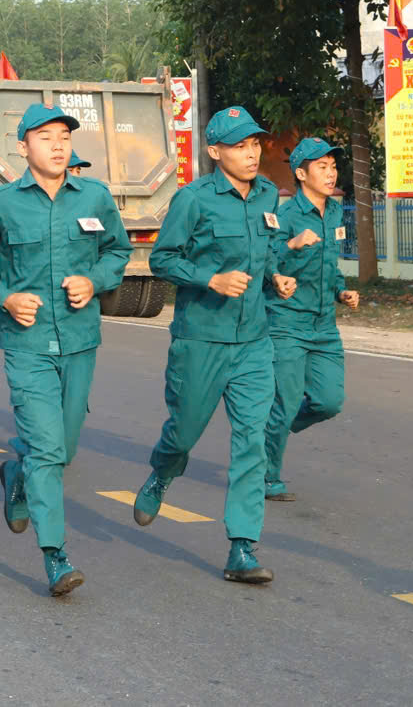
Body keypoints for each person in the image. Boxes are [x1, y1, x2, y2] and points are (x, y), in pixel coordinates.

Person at [0, 103, 131, 596]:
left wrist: (93, 280)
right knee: (49, 450)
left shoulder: (94, 197)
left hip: (80, 340)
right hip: (27, 343)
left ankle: (17, 473)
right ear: (23, 146)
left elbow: (117, 251)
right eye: (45, 136)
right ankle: (56, 555)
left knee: (63, 449)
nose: (57, 145)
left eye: (64, 137)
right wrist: (6, 297)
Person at [131, 106, 298, 585]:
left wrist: (276, 276)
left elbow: (266, 251)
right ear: (214, 151)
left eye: (254, 144)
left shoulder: (268, 193)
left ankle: (242, 546)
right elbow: (163, 260)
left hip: (254, 342)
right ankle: (163, 472)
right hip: (201, 338)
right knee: (184, 434)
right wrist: (211, 279)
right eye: (239, 146)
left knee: (251, 443)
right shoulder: (193, 199)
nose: (251, 153)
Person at [263, 137, 359, 502]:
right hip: (287, 322)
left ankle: (271, 431)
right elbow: (264, 258)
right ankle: (268, 477)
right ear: (302, 174)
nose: (331, 174)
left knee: (329, 401)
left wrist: (341, 291)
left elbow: (329, 262)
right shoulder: (285, 216)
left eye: (333, 167)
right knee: (285, 402)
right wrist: (290, 245)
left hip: (324, 325)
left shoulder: (334, 212)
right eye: (322, 167)